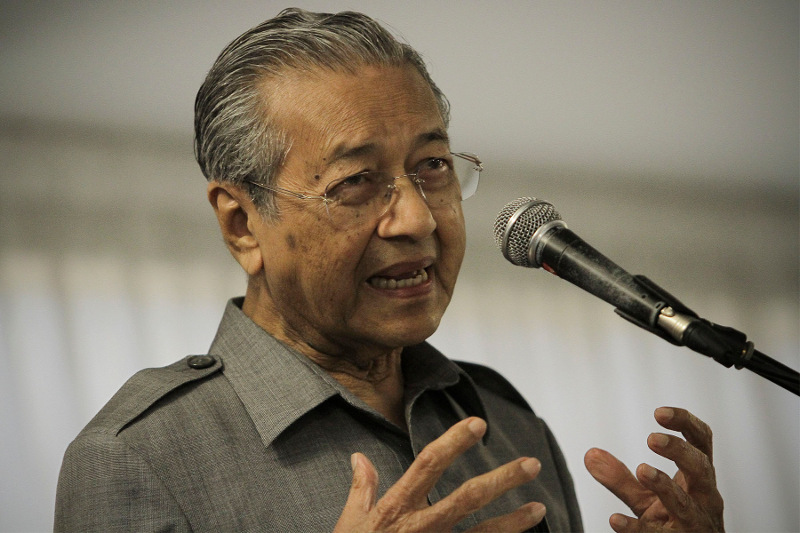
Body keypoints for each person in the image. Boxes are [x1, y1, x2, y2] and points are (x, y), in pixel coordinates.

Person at [54, 8, 725, 532]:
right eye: (356, 181)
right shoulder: (138, 457)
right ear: (241, 223)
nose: (418, 219)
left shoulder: (503, 419)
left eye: (433, 165)